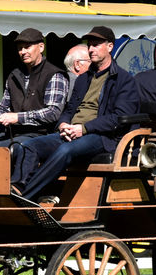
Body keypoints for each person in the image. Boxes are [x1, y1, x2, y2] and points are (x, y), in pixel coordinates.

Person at [11, 25, 139, 201]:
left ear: (110, 47)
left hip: (101, 136)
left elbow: (117, 118)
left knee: (65, 151)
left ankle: (25, 198)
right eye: (89, 45)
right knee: (29, 146)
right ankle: (16, 187)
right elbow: (69, 109)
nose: (91, 49)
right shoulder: (83, 78)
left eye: (96, 45)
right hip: (72, 131)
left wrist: (83, 129)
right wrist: (63, 124)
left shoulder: (124, 80)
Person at [0, 28, 69, 147]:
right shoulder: (14, 75)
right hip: (13, 133)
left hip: (41, 136)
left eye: (27, 47)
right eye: (20, 48)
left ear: (41, 47)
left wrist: (18, 117)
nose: (23, 52)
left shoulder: (54, 74)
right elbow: (4, 110)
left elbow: (53, 113)